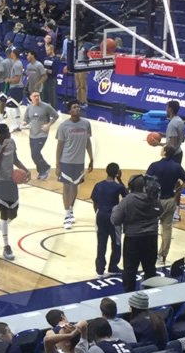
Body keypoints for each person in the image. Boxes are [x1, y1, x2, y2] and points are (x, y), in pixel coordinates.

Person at [0, 122, 30, 261]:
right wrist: (1, 150)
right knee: (4, 213)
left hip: (11, 182)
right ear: (1, 135)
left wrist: (25, 169)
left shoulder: (12, 143)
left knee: (14, 213)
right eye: (7, 133)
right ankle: (6, 246)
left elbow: (15, 159)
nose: (10, 134)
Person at [113, 174, 160, 292]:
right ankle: (152, 296)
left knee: (130, 270)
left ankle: (129, 297)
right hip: (151, 238)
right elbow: (160, 211)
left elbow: (115, 220)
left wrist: (116, 210)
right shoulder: (152, 198)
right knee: (150, 269)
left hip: (133, 239)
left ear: (130, 186)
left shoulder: (127, 200)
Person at [146, 145, 185, 266]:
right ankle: (162, 256)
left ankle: (150, 254)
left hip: (156, 200)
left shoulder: (154, 165)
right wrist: (179, 190)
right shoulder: (176, 166)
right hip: (170, 199)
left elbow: (147, 182)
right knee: (167, 229)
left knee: (151, 228)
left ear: (164, 152)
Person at [54, 102, 94, 230]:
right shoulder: (63, 126)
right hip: (66, 161)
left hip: (79, 162)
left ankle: (71, 209)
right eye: (74, 107)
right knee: (66, 187)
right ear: (70, 111)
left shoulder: (86, 124)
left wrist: (91, 158)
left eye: (78, 107)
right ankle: (66, 215)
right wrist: (57, 164)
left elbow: (87, 141)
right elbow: (59, 146)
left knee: (75, 186)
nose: (77, 109)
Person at [90, 162, 127, 276]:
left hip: (100, 215)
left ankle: (100, 269)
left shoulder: (98, 185)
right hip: (113, 217)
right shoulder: (118, 186)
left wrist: (97, 212)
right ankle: (113, 266)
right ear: (117, 173)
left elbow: (94, 201)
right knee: (116, 242)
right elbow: (127, 196)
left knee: (101, 243)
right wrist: (120, 180)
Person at [24, 91, 58, 181]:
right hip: (32, 134)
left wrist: (48, 125)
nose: (37, 97)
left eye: (38, 96)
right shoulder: (29, 108)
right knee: (33, 155)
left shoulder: (46, 106)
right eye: (34, 96)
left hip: (42, 134)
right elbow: (26, 120)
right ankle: (42, 169)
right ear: (30, 97)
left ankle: (45, 169)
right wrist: (23, 124)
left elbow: (56, 115)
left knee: (35, 153)